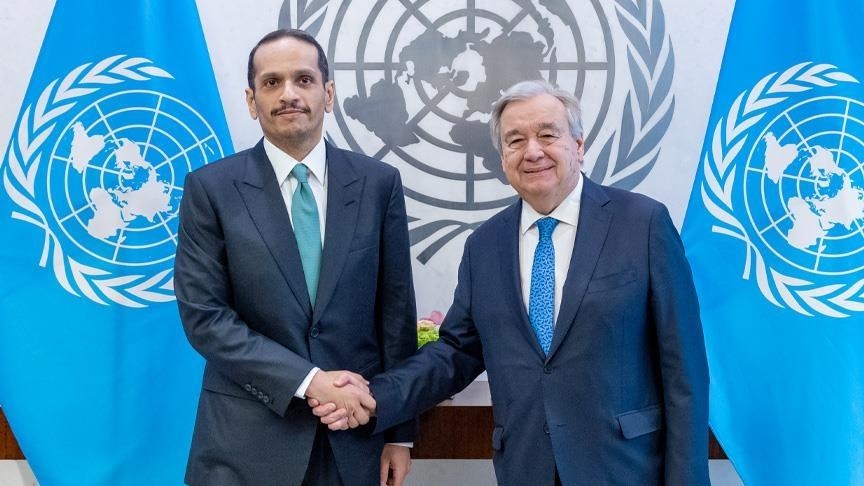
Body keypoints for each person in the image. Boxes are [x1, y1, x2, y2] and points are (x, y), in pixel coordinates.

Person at [314, 80, 709, 485]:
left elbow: (684, 372)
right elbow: (456, 353)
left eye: (547, 135)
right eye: (515, 140)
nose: (532, 151)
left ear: (578, 145)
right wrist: (375, 397)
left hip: (625, 470)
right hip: (526, 468)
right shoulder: (485, 246)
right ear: (503, 157)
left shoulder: (642, 225)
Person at [174, 28, 416, 486]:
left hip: (353, 441)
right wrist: (309, 380)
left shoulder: (379, 184)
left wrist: (399, 433)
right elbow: (205, 317)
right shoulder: (210, 189)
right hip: (244, 449)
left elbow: (396, 314)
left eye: (303, 80)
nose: (288, 94)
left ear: (329, 94)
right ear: (252, 101)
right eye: (272, 82)